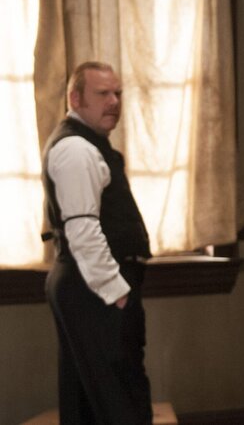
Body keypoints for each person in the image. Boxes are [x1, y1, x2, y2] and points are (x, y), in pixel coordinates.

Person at [42, 61, 153, 424]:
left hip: (89, 286)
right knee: (119, 399)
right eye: (103, 93)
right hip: (94, 288)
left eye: (118, 93)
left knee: (92, 400)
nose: (114, 101)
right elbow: (82, 228)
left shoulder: (88, 144)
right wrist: (115, 292)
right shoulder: (76, 149)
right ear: (75, 98)